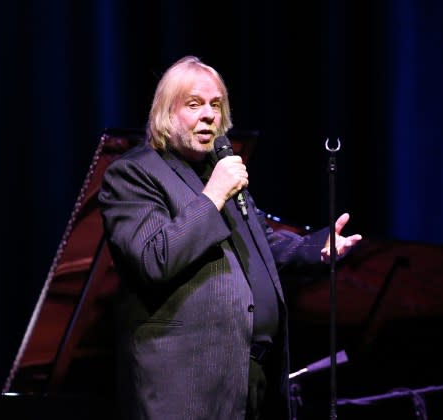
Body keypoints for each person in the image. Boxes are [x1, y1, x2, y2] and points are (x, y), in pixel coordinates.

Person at [98, 55, 362, 420]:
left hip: (249, 379)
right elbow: (153, 258)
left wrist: (314, 248)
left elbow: (260, 242)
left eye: (215, 105)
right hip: (186, 388)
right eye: (194, 104)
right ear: (164, 113)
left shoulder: (215, 171)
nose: (209, 115)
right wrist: (213, 196)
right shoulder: (133, 174)